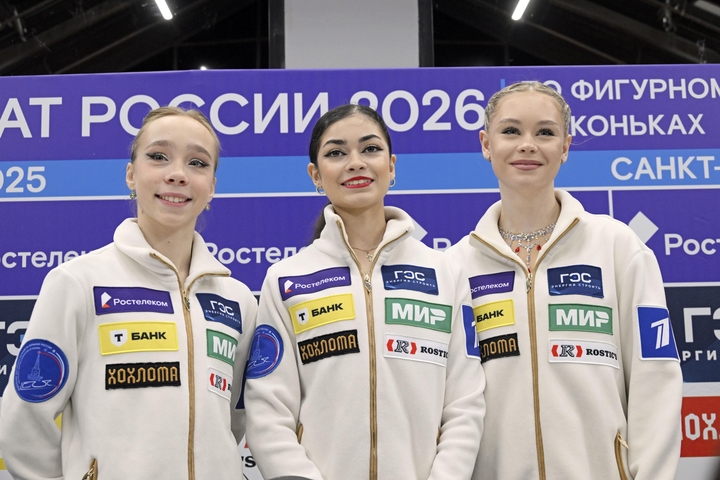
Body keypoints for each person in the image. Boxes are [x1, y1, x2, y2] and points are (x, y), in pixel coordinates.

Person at [0, 106, 257, 480]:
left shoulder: (238, 300)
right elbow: (23, 424)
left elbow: (231, 421)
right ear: (131, 175)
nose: (177, 174)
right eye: (158, 156)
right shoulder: (77, 282)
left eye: (197, 163)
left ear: (212, 187)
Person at [447, 81, 683, 480]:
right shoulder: (455, 266)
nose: (527, 145)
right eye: (510, 131)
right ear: (486, 144)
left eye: (545, 132)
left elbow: (655, 376)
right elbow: (449, 404)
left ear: (565, 146)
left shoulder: (618, 246)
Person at [244, 104, 485, 480]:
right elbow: (268, 409)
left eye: (370, 149)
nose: (355, 163)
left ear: (391, 166)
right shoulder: (285, 279)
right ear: (315, 175)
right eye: (336, 153)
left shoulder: (446, 273)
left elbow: (464, 403)